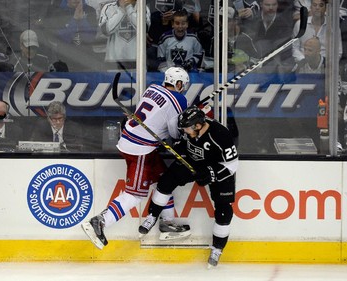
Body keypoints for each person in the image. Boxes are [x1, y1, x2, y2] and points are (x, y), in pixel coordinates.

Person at [81, 67, 191, 249]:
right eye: (183, 85)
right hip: (141, 148)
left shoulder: (152, 89)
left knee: (164, 181)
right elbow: (174, 132)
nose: (183, 89)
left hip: (130, 138)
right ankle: (100, 222)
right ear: (179, 84)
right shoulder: (180, 99)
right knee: (135, 194)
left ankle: (167, 223)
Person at [138, 106, 239, 268]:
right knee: (166, 182)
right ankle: (152, 216)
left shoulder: (221, 135)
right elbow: (183, 143)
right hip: (192, 162)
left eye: (186, 128)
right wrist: (177, 147)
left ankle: (217, 248)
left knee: (224, 211)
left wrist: (211, 173)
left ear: (198, 126)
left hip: (217, 169)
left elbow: (232, 165)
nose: (184, 131)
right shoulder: (190, 131)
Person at [44, 0, 98, 72]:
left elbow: (90, 38)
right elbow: (63, 38)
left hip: (87, 62)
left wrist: (82, 20)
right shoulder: (58, 12)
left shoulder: (90, 10)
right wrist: (75, 19)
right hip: (65, 62)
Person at [99, 0, 150, 68]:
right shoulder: (108, 7)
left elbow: (144, 29)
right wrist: (121, 10)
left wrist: (129, 8)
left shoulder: (142, 7)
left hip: (136, 59)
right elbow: (105, 30)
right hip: (113, 60)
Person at [249, 0, 294, 73]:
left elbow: (285, 49)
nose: (271, 8)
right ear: (261, 4)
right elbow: (249, 43)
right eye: (267, 5)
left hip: (275, 64)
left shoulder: (284, 24)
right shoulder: (253, 21)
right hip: (254, 63)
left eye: (274, 5)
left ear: (277, 5)